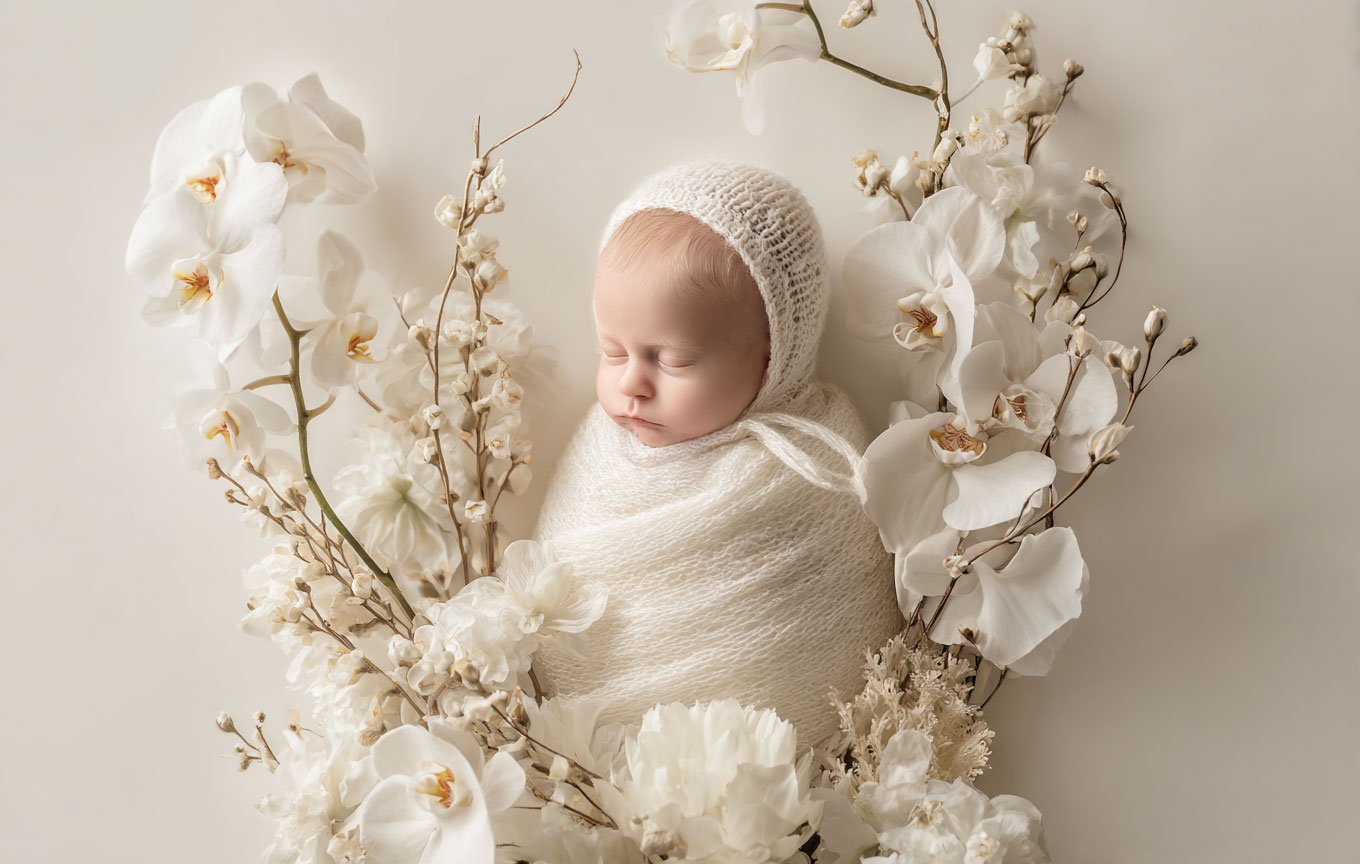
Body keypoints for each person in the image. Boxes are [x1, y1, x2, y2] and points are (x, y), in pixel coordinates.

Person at [531, 159, 903, 750]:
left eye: (671, 360)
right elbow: (554, 578)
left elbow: (825, 618)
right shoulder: (600, 453)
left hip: (767, 770)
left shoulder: (811, 464)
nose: (631, 384)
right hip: (583, 761)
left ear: (772, 355)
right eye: (612, 352)